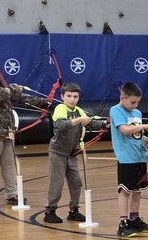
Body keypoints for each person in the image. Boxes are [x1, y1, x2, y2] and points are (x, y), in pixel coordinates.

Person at [0, 58, 48, 208]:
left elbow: (19, 96)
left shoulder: (1, 86)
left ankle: (11, 194)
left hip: (6, 129)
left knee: (8, 164)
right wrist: (13, 87)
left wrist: (43, 102)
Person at [43, 82, 106, 223]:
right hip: (58, 152)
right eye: (69, 96)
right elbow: (60, 125)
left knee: (76, 183)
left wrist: (104, 123)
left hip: (72, 153)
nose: (72, 99)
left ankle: (74, 210)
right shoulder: (60, 108)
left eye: (75, 96)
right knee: (56, 183)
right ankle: (50, 211)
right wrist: (79, 120)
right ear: (62, 96)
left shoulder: (78, 110)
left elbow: (89, 122)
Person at [110, 81, 148, 238]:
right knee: (125, 190)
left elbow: (139, 137)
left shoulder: (137, 113)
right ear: (122, 97)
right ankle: (123, 223)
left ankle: (135, 219)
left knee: (137, 190)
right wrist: (144, 126)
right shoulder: (116, 110)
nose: (135, 105)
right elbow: (126, 130)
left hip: (140, 156)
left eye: (137, 102)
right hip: (126, 158)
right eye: (132, 102)